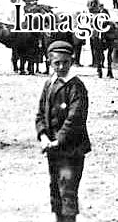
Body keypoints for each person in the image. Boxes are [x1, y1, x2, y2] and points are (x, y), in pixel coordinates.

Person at [36, 40, 91, 222]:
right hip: (53, 149)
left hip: (71, 150)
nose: (61, 66)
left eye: (65, 62)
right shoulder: (48, 84)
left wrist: (58, 139)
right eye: (56, 63)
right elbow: (40, 114)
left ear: (71, 61)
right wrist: (43, 136)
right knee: (56, 193)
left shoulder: (76, 86)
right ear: (49, 62)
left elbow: (75, 118)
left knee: (67, 192)